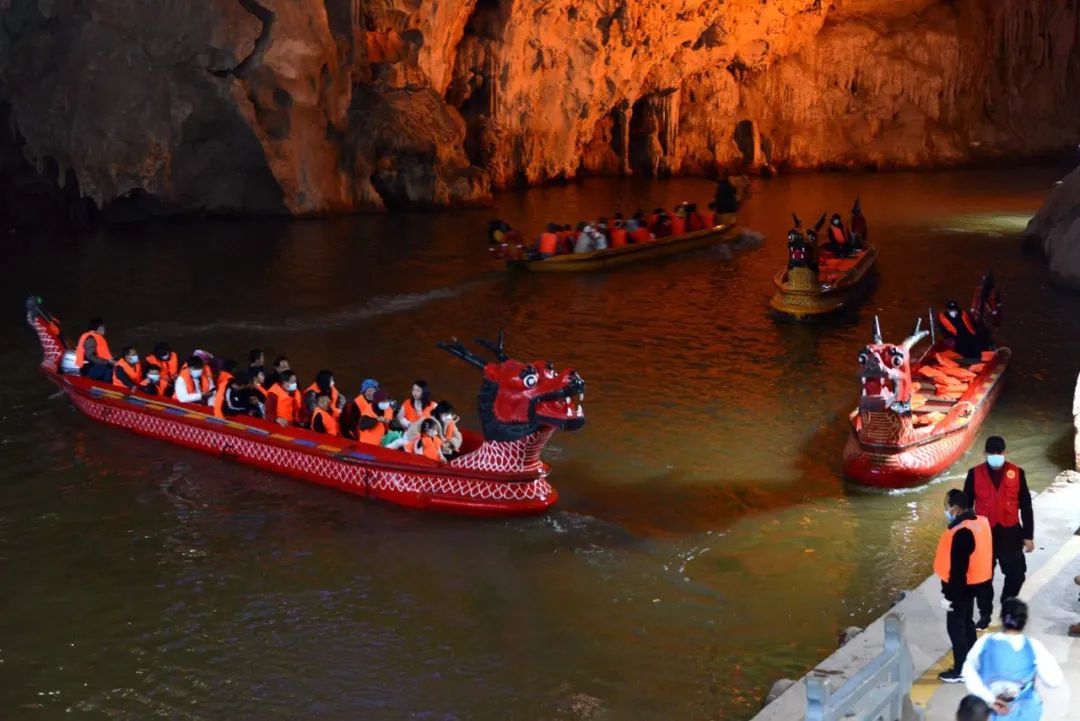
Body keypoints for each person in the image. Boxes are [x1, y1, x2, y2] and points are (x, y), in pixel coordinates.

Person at [964, 436, 1034, 630]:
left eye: (999, 453)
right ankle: (985, 614)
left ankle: (1006, 602)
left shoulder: (1017, 473)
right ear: (985, 454)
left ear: (1005, 453)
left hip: (1011, 533)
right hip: (983, 536)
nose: (996, 457)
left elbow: (1026, 506)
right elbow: (966, 507)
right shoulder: (974, 474)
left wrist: (1028, 535)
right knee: (983, 578)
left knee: (1017, 574)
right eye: (991, 453)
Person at [962, 598, 1063, 720]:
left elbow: (968, 672)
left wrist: (989, 697)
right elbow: (1055, 680)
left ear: (1001, 618)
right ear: (1024, 622)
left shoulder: (985, 642)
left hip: (993, 712)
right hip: (1026, 713)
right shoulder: (1033, 646)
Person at [936, 489, 993, 683]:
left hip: (960, 588)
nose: (946, 509)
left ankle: (960, 670)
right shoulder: (980, 522)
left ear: (957, 509)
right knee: (967, 624)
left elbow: (958, 569)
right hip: (975, 584)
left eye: (948, 506)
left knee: (956, 628)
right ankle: (972, 663)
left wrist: (948, 596)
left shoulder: (962, 532)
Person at [343, 379, 394, 443]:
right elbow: (354, 423)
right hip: (364, 430)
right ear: (364, 393)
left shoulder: (381, 401)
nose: (372, 393)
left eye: (373, 390)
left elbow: (388, 416)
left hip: (382, 430)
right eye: (369, 391)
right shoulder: (356, 404)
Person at [75, 317, 114, 382]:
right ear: (99, 328)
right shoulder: (91, 339)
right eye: (103, 327)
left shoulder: (95, 337)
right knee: (109, 369)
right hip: (87, 369)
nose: (104, 329)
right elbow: (89, 356)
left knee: (114, 366)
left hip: (93, 367)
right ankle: (105, 388)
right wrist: (107, 362)